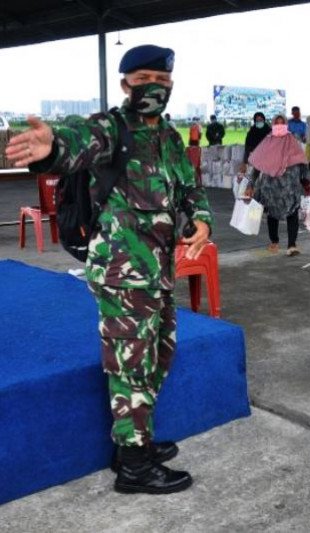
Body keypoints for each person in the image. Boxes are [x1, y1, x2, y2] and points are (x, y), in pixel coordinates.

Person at [5, 44, 213, 495]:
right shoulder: (111, 127)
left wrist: (200, 218)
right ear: (125, 85)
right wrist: (51, 147)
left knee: (159, 354)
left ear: (171, 85)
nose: (152, 89)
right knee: (131, 365)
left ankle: (132, 441)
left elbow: (189, 187)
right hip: (121, 270)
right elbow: (76, 142)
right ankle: (134, 465)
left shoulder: (171, 138)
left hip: (158, 268)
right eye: (142, 81)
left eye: (160, 82)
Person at [244, 115, 310, 256]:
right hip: (271, 188)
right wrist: (250, 184)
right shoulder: (267, 143)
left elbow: (302, 161)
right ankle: (274, 241)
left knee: (292, 213)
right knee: (272, 215)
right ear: (273, 124)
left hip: (290, 187)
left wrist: (307, 181)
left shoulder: (292, 141)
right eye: (277, 123)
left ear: (286, 125)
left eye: (282, 123)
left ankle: (292, 245)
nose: (279, 126)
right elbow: (257, 165)